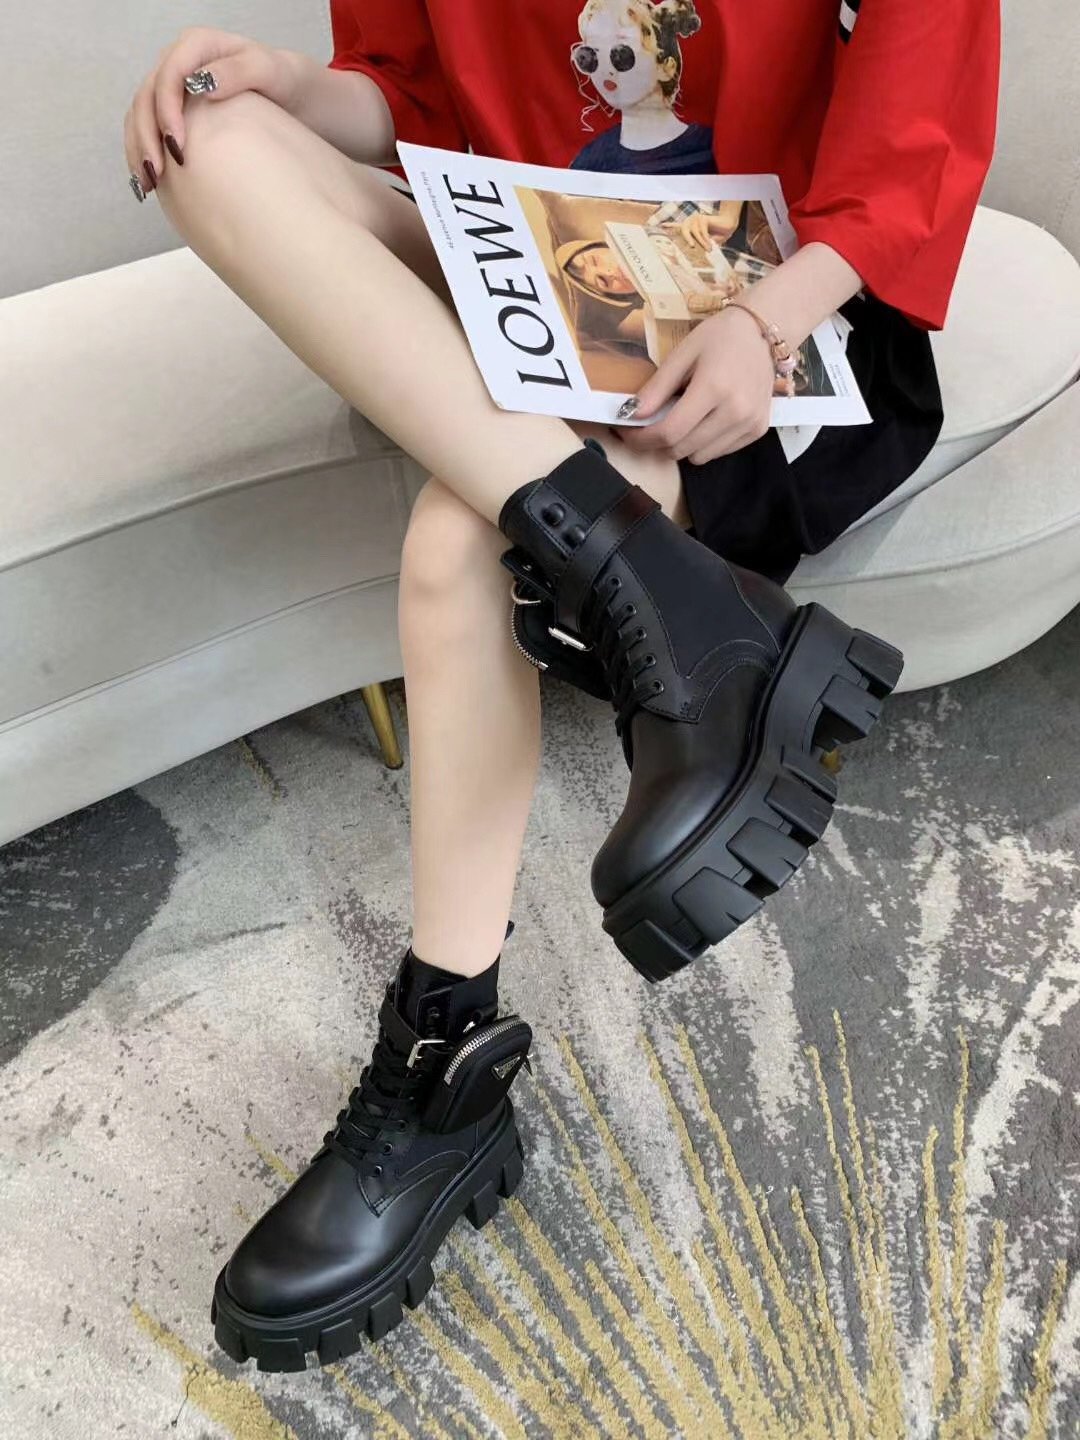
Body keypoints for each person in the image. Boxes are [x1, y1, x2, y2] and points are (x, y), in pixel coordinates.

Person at [122, 0, 999, 1370]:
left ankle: (443, 1071)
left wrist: (762, 319)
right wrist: (290, 81)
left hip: (776, 304)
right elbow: (407, 100)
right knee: (214, 140)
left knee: (454, 545)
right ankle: (689, 616)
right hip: (533, 258)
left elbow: (914, 125)